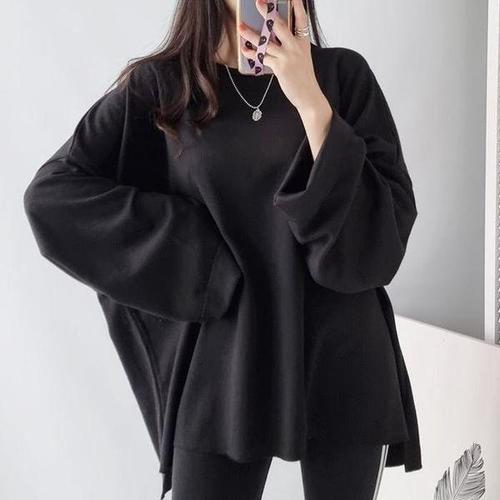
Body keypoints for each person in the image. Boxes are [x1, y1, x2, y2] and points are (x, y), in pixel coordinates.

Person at [23, 0, 422, 498]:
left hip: (343, 360)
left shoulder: (343, 76)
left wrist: (312, 104)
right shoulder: (166, 86)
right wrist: (199, 261)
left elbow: (381, 240)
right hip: (223, 368)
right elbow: (53, 197)